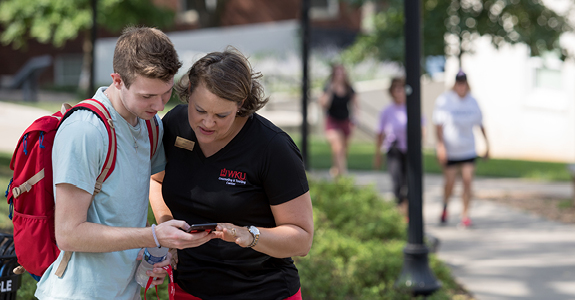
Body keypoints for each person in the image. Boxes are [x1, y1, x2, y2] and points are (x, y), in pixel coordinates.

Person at [35, 27, 214, 300]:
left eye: (165, 93)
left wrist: (155, 250)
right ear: (117, 80)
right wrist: (153, 236)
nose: (159, 105)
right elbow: (69, 234)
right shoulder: (86, 131)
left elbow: (132, 204)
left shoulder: (149, 124)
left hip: (126, 291)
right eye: (146, 96)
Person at [149, 48, 314, 300]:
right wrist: (167, 229)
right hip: (188, 288)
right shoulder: (176, 125)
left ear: (240, 104)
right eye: (200, 110)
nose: (207, 123)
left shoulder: (273, 148)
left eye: (221, 115)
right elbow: (156, 181)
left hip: (263, 291)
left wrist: (248, 235)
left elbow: (301, 239)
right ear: (190, 91)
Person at [432, 70, 489, 228]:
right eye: (458, 83)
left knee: (467, 181)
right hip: (451, 149)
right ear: (455, 84)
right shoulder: (445, 101)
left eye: (463, 83)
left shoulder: (473, 102)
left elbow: (480, 124)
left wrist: (487, 145)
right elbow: (438, 126)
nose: (461, 86)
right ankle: (445, 206)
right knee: (450, 182)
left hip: (468, 149)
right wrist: (440, 146)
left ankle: (465, 214)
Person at [318, 64, 359, 177]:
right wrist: (331, 90)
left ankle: (336, 171)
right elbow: (324, 104)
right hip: (332, 121)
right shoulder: (328, 87)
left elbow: (355, 105)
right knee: (338, 147)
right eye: (337, 72)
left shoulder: (349, 88)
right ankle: (343, 174)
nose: (340, 75)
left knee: (343, 150)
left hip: (345, 121)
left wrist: (355, 120)